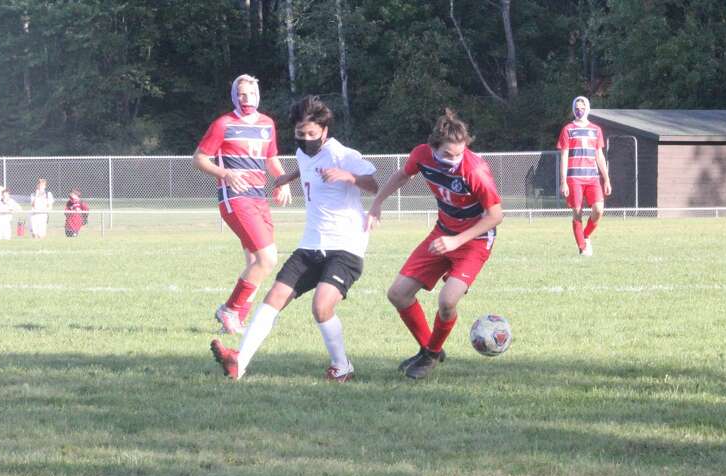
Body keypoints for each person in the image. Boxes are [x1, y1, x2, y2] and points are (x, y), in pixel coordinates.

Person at [211, 95, 378, 381]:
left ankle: (342, 366)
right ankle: (239, 362)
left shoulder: (342, 154)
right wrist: (288, 177)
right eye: (300, 134)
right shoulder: (303, 153)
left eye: (312, 134)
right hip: (310, 245)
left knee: (321, 306)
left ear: (324, 131)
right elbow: (306, 166)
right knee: (273, 297)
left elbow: (374, 185)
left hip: (345, 247)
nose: (305, 139)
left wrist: (347, 176)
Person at [366, 109, 504, 380]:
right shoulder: (422, 155)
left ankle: (430, 354)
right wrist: (376, 203)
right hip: (442, 234)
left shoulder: (475, 170)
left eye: (459, 154)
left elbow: (496, 216)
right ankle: (430, 349)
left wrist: (456, 241)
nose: (454, 160)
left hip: (473, 240)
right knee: (398, 294)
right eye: (447, 155)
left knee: (447, 300)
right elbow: (402, 176)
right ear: (433, 148)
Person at [193, 74, 292, 334]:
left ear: (258, 95)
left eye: (250, 93)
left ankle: (237, 318)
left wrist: (282, 182)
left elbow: (271, 158)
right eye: (240, 94)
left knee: (256, 262)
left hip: (259, 198)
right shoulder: (223, 124)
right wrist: (225, 174)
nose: (245, 98)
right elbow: (200, 159)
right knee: (267, 258)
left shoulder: (267, 124)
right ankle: (229, 310)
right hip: (235, 198)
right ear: (234, 96)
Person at [557, 96, 611, 256]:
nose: (579, 110)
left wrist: (606, 179)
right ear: (573, 109)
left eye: (582, 107)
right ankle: (582, 247)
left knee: (599, 210)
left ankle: (585, 235)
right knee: (577, 212)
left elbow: (599, 156)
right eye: (577, 107)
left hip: (592, 177)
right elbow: (564, 155)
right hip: (574, 178)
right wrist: (563, 181)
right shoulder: (568, 129)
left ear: (587, 108)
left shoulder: (596, 130)